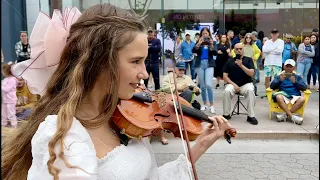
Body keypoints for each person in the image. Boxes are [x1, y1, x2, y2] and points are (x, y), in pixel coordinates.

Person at [2, 4, 232, 180]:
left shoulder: (118, 114)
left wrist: (201, 144)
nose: (144, 73)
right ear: (100, 62)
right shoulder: (63, 138)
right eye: (135, 61)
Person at [223, 43, 258, 125]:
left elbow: (251, 74)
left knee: (250, 90)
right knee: (226, 91)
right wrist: (234, 85)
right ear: (234, 50)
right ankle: (226, 114)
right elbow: (225, 76)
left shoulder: (248, 60)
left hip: (246, 84)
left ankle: (251, 116)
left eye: (240, 49)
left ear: (243, 50)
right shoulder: (229, 61)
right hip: (232, 84)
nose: (239, 50)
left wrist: (241, 65)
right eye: (237, 49)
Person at [270, 59, 307, 125]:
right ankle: (292, 117)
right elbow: (272, 86)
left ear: (294, 68)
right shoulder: (280, 76)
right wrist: (280, 81)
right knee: (278, 97)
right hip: (284, 95)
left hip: (295, 96)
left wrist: (295, 82)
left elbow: (304, 88)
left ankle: (285, 115)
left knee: (302, 99)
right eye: (287, 66)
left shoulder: (297, 77)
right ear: (284, 67)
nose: (289, 68)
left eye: (290, 67)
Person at [192, 27, 217, 114]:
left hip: (209, 64)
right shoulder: (199, 42)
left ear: (209, 34)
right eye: (203, 34)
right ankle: (204, 104)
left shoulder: (212, 42)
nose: (205, 35)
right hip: (200, 64)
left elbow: (215, 53)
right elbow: (193, 50)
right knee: (202, 86)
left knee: (209, 85)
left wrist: (211, 45)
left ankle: (212, 105)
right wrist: (199, 43)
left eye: (206, 33)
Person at [262, 29, 284, 95]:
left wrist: (270, 50)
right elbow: (265, 50)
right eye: (273, 33)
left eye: (275, 33)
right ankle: (268, 93)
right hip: (268, 62)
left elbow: (279, 51)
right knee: (267, 78)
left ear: (278, 34)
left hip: (277, 63)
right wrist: (274, 48)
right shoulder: (267, 42)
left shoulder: (281, 41)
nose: (274, 34)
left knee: (277, 78)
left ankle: (276, 93)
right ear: (271, 34)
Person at [1, 62, 17, 128]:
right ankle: (3, 124)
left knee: (11, 114)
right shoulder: (5, 80)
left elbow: (7, 89)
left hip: (11, 100)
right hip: (5, 100)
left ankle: (14, 125)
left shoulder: (13, 80)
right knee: (3, 113)